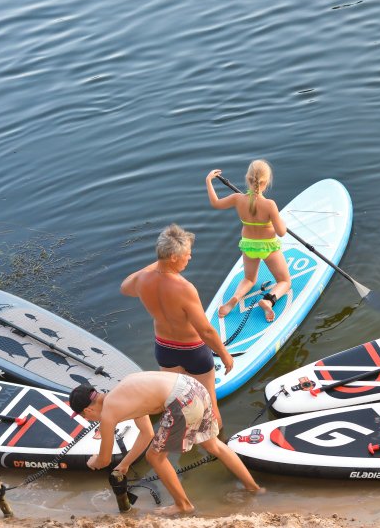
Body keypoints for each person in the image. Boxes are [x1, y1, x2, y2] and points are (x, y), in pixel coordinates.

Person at [70, 371, 262, 516]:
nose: (91, 420)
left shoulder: (108, 412)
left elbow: (103, 460)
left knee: (155, 457)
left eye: (86, 417)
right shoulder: (122, 393)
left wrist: (93, 461)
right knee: (213, 445)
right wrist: (125, 464)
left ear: (87, 411)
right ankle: (254, 488)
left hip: (181, 401)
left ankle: (183, 505)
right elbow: (147, 434)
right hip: (194, 388)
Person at [121, 224, 232, 429]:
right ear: (173, 257)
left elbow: (124, 287)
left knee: (179, 401)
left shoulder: (142, 280)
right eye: (187, 254)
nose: (189, 258)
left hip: (164, 349)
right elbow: (206, 330)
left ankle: (185, 439)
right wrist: (224, 354)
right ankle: (216, 443)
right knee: (208, 403)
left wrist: (157, 263)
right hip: (193, 350)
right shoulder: (184, 288)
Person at [205, 160, 291, 323]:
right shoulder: (269, 204)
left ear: (247, 178)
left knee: (250, 279)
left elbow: (215, 203)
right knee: (284, 281)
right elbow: (281, 232)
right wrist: (280, 222)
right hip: (268, 247)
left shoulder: (238, 199)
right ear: (266, 182)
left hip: (248, 245)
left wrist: (208, 180)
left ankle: (235, 298)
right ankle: (268, 301)